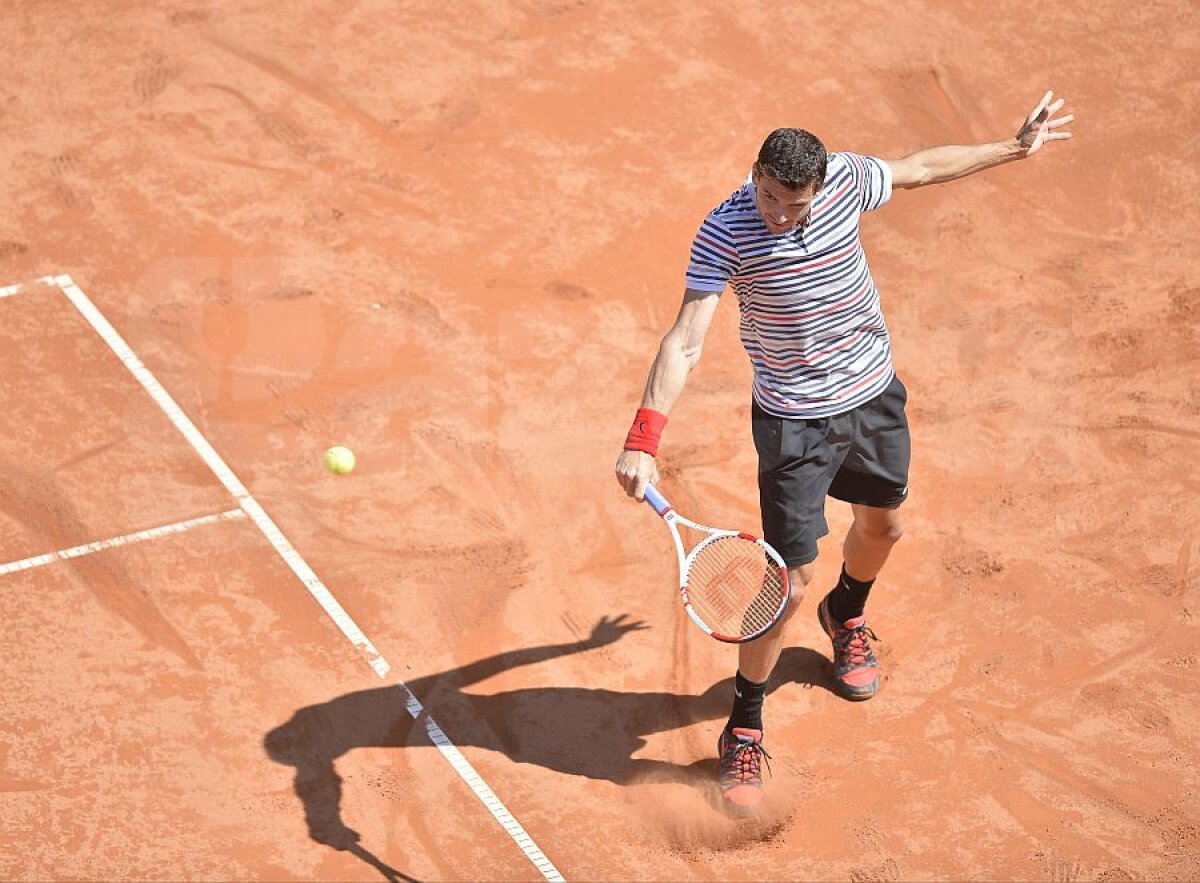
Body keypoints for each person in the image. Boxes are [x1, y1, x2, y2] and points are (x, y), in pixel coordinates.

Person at [614, 91, 1073, 812]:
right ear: (755, 174)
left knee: (884, 528)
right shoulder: (726, 230)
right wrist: (644, 437)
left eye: (792, 205)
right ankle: (744, 725)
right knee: (788, 582)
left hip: (871, 394)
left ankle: (847, 614)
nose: (777, 214)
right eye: (768, 196)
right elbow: (686, 339)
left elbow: (920, 168)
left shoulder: (849, 181)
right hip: (794, 422)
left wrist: (1013, 148)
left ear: (819, 189)